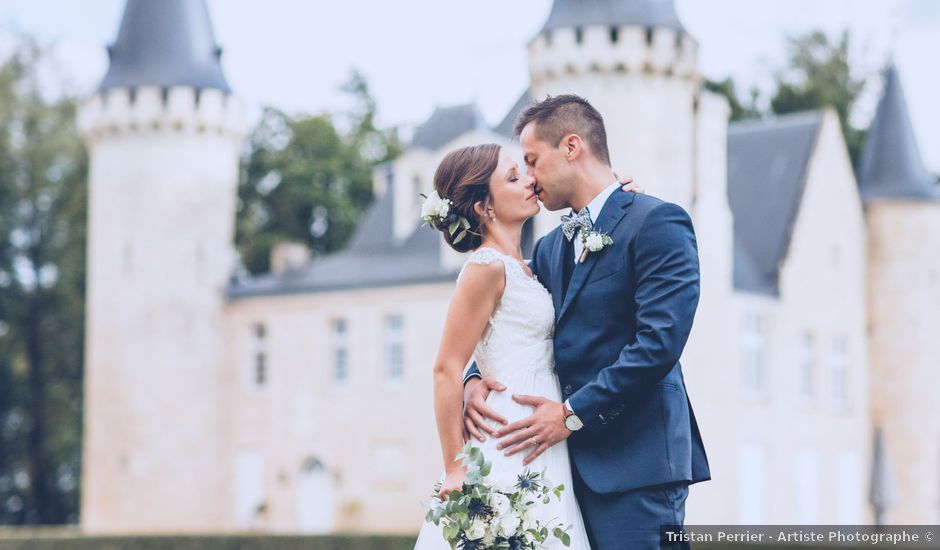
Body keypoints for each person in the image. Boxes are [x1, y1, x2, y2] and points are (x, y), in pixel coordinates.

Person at [462, 95, 710, 550]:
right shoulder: (552, 247)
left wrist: (571, 416)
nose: (530, 179)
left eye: (533, 161)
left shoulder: (657, 222)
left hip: (638, 466)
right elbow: (515, 318)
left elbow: (658, 344)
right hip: (561, 476)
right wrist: (473, 376)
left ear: (572, 147)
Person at [412, 141, 639, 550]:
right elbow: (446, 367)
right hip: (506, 431)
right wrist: (454, 466)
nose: (530, 180)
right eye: (513, 177)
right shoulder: (485, 268)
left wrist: (615, 199)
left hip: (543, 430)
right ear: (485, 207)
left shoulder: (531, 267)